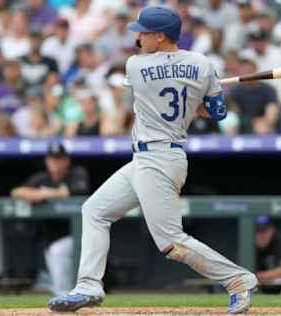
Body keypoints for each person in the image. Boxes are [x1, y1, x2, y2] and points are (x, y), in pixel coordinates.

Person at [48, 6, 257, 314]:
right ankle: (89, 285)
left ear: (161, 36)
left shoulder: (135, 65)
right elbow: (217, 114)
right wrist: (200, 89)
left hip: (158, 158)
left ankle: (238, 279)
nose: (138, 37)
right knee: (94, 210)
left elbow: (153, 94)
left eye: (144, 32)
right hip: (152, 158)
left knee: (171, 242)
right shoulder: (202, 64)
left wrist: (189, 90)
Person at [11, 142, 89, 295]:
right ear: (47, 160)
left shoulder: (77, 173)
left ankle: (67, 299)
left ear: (67, 160)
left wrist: (43, 194)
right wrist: (36, 193)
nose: (55, 162)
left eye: (59, 159)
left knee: (58, 253)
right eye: (52, 159)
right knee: (56, 259)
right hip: (52, 239)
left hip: (78, 235)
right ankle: (67, 298)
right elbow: (16, 191)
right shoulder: (41, 178)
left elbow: (70, 191)